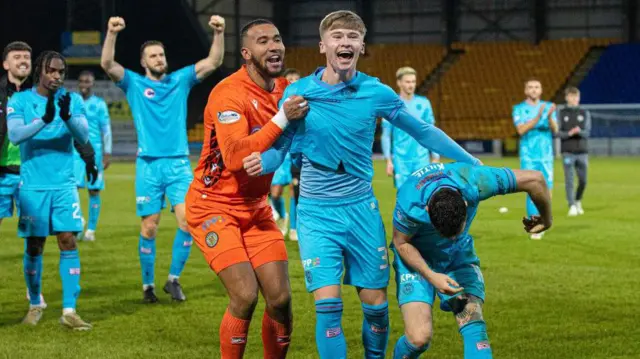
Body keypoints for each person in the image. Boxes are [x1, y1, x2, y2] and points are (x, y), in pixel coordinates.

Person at [246, 10, 481, 359]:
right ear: (322, 45)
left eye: (352, 36)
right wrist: (260, 161)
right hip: (316, 214)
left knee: (376, 303)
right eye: (337, 35)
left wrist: (471, 162)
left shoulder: (376, 92)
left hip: (361, 211)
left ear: (362, 45)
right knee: (328, 305)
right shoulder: (298, 93)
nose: (345, 42)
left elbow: (424, 131)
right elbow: (280, 146)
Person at [185, 19, 308, 358]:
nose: (274, 46)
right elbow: (236, 155)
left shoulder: (286, 89)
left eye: (278, 39)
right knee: (245, 296)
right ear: (245, 53)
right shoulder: (228, 92)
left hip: (255, 207)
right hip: (213, 207)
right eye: (263, 41)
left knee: (281, 300)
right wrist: (282, 118)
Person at [100, 15, 225, 302]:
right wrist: (111, 33)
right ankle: (147, 286)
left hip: (179, 164)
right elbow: (107, 64)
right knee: (150, 226)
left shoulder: (179, 80)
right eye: (153, 56)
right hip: (148, 165)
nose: (159, 59)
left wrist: (219, 32)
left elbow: (213, 62)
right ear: (144, 62)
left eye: (161, 54)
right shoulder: (132, 83)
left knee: (188, 223)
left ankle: (173, 279)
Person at [389, 162, 552, 359]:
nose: (450, 237)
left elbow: (535, 179)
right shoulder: (410, 203)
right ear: (427, 209)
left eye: (455, 232)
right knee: (419, 338)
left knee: (472, 320)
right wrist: (431, 276)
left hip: (457, 255)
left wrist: (546, 219)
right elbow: (401, 243)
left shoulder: (475, 182)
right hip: (416, 255)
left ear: (465, 203)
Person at [1, 42, 98, 308]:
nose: (57, 76)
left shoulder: (69, 99)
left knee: (58, 239)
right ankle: (35, 297)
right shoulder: (16, 99)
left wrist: (67, 120)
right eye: (51, 71)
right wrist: (44, 119)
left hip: (51, 181)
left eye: (61, 72)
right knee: (35, 243)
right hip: (18, 181)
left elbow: (83, 134)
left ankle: (61, 306)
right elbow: (15, 134)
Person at [512, 78, 557, 240]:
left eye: (537, 87)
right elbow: (521, 130)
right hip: (529, 156)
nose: (533, 90)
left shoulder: (549, 107)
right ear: (525, 90)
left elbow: (556, 129)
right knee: (531, 189)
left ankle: (544, 221)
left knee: (548, 189)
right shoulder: (518, 109)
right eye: (530, 87)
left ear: (541, 90)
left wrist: (550, 117)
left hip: (546, 155)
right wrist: (539, 116)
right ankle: (534, 224)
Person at [381, 66, 439, 189]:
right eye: (407, 82)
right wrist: (388, 160)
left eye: (413, 81)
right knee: (404, 196)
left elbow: (432, 132)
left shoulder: (424, 103)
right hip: (400, 160)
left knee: (423, 195)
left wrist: (435, 156)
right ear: (399, 83)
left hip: (421, 158)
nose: (411, 85)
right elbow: (386, 135)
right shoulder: (390, 105)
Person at [74, 70, 112, 241]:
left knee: (94, 190)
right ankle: (79, 219)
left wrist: (107, 153)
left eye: (87, 81)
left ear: (92, 83)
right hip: (75, 151)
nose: (84, 85)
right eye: (81, 81)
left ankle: (90, 230)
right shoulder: (73, 102)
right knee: (72, 188)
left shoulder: (99, 104)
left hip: (94, 152)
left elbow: (106, 130)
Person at [269, 68, 302, 240]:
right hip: (281, 151)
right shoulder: (276, 101)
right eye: (291, 78)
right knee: (275, 193)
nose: (294, 81)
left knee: (295, 190)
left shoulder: (306, 103)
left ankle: (295, 228)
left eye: (297, 78)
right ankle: (282, 215)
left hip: (297, 151)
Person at [558, 87, 590, 216]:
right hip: (567, 151)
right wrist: (569, 133)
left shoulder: (584, 112)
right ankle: (571, 205)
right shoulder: (561, 113)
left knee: (583, 180)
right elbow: (557, 132)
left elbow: (587, 132)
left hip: (582, 151)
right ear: (566, 98)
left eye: (576, 96)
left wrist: (579, 132)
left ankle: (577, 200)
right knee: (569, 180)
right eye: (571, 96)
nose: (574, 99)